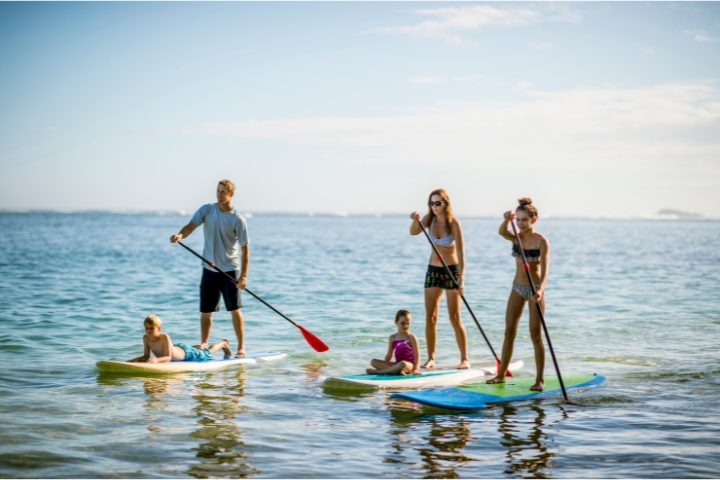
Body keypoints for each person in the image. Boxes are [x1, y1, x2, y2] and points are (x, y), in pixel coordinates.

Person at [170, 179, 250, 358]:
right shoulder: (207, 210)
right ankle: (205, 342)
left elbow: (245, 249)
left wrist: (243, 276)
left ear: (231, 194)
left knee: (234, 309)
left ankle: (241, 347)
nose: (219, 195)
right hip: (209, 268)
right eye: (218, 191)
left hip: (229, 269)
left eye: (223, 192)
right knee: (206, 311)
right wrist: (180, 235)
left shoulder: (238, 219)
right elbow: (191, 226)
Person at [487, 198, 550, 391]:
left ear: (534, 220)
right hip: (517, 287)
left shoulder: (541, 241)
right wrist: (507, 220)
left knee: (535, 335)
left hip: (534, 290)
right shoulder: (516, 236)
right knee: (509, 332)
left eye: (525, 220)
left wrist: (540, 290)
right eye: (519, 220)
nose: (521, 224)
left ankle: (539, 380)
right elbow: (501, 232)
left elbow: (546, 269)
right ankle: (500, 376)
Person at [410, 189, 469, 370]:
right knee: (431, 316)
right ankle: (431, 358)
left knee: (455, 316)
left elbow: (461, 253)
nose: (434, 207)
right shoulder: (429, 219)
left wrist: (462, 280)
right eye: (431, 203)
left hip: (452, 271)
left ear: (445, 203)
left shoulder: (454, 224)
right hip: (434, 270)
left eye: (437, 203)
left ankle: (464, 358)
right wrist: (415, 220)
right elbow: (414, 232)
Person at [128, 315, 231, 363]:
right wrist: (135, 360)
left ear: (159, 329)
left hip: (186, 352)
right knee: (201, 349)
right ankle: (199, 346)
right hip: (176, 348)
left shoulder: (164, 337)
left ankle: (223, 344)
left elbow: (168, 358)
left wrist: (156, 360)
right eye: (146, 328)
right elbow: (146, 356)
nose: (148, 331)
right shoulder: (146, 338)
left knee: (207, 353)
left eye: (152, 328)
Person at [366, 310, 421, 375]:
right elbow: (389, 355)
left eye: (408, 323)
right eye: (403, 323)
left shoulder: (411, 337)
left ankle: (379, 372)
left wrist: (415, 369)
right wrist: (383, 365)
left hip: (408, 365)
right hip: (397, 365)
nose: (406, 326)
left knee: (402, 363)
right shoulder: (392, 338)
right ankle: (396, 371)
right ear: (396, 322)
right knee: (373, 362)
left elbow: (417, 354)